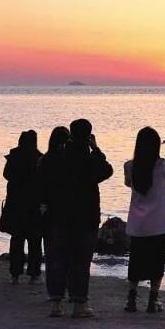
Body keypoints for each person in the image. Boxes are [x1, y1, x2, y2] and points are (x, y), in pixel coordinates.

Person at [45, 119, 113, 318]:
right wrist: (96, 149)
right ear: (89, 136)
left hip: (60, 215)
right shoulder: (90, 158)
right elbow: (107, 170)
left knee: (59, 259)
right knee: (81, 262)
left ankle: (56, 304)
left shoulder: (58, 156)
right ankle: (79, 305)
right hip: (86, 216)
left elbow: (44, 170)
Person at [124, 127, 165, 313]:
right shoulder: (161, 165)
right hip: (159, 223)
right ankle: (153, 299)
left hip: (138, 225)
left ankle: (131, 299)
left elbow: (128, 183)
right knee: (157, 261)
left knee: (136, 261)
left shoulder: (130, 165)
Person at [4, 130, 44, 284]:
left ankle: (15, 274)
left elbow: (6, 175)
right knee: (35, 240)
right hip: (34, 204)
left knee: (16, 239)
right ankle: (34, 274)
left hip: (15, 203)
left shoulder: (13, 156)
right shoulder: (39, 157)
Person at [37, 126, 70, 301]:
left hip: (48, 211)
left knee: (51, 253)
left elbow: (40, 187)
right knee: (69, 252)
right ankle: (68, 287)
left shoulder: (43, 161)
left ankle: (54, 292)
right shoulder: (69, 161)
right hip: (66, 211)